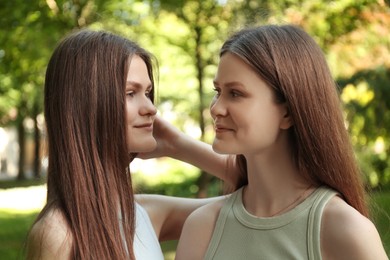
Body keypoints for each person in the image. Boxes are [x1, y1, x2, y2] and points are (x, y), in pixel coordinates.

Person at [175, 24, 388, 259]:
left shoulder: (344, 229)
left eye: (235, 93)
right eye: (218, 91)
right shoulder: (202, 227)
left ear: (287, 113)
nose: (216, 108)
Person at [25, 29, 236, 260]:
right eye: (129, 93)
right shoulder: (57, 234)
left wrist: (177, 144)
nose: (151, 108)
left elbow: (263, 194)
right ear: (85, 107)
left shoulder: (143, 214)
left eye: (147, 92)